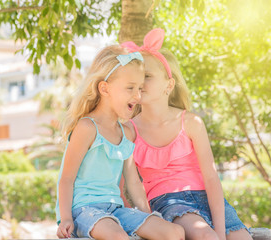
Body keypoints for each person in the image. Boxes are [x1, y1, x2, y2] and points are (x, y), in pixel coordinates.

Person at [122, 28, 252, 240]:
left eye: (147, 76)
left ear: (169, 85)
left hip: (207, 198)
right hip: (167, 202)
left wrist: (220, 232)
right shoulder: (129, 130)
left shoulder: (191, 123)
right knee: (206, 237)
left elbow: (211, 178)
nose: (140, 82)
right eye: (136, 77)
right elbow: (123, 185)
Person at [55, 45, 185, 240]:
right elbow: (66, 178)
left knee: (174, 232)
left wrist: (147, 216)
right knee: (119, 237)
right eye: (130, 88)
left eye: (140, 89)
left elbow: (133, 182)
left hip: (116, 211)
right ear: (104, 88)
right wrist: (66, 218)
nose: (138, 96)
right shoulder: (87, 128)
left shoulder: (126, 133)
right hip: (85, 211)